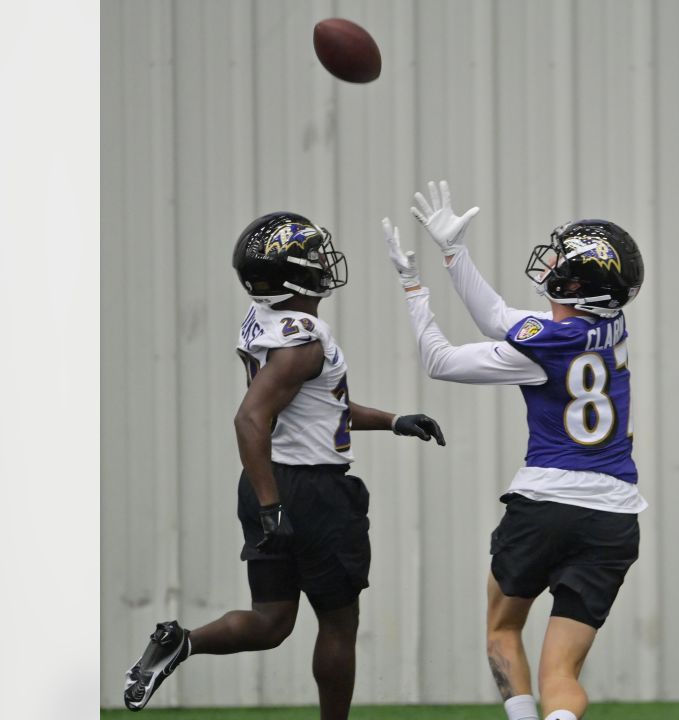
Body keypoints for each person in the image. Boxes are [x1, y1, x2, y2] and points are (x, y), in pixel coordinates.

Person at [123, 212, 446, 718]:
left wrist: (394, 420)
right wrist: (276, 508)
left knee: (271, 621)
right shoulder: (306, 341)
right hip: (309, 492)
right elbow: (250, 417)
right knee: (339, 625)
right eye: (313, 256)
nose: (323, 263)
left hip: (264, 479)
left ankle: (180, 642)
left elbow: (314, 407)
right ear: (291, 275)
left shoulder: (269, 326)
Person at [379, 181, 645, 720]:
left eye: (559, 260)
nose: (549, 264)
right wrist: (454, 255)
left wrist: (414, 288)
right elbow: (502, 316)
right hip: (616, 512)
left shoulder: (539, 349)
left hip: (545, 500)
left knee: (502, 629)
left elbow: (442, 361)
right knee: (562, 674)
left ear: (575, 284)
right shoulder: (612, 328)